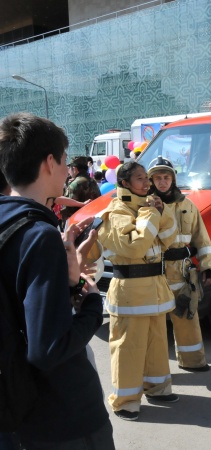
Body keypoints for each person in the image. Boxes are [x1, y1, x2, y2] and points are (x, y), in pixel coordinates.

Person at [0, 112, 115, 448]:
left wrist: (65, 280)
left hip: (13, 413)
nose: (68, 171)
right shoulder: (38, 235)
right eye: (65, 161)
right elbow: (47, 349)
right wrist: (91, 301)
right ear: (49, 162)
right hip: (60, 418)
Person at [94, 161, 178, 421]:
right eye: (140, 178)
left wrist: (160, 212)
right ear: (124, 183)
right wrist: (153, 214)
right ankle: (126, 401)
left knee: (156, 343)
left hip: (154, 289)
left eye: (146, 178)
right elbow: (134, 247)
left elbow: (169, 237)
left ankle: (157, 388)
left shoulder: (149, 205)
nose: (147, 183)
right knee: (128, 348)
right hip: (130, 291)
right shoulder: (116, 212)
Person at [147, 156, 211, 371]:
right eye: (157, 178)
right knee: (154, 323)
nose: (162, 182)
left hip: (182, 272)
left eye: (166, 177)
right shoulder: (145, 205)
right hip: (155, 272)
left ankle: (193, 361)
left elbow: (201, 238)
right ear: (151, 181)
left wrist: (208, 267)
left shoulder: (188, 206)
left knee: (188, 315)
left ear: (173, 179)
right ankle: (154, 369)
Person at [61, 155, 101, 224]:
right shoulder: (92, 181)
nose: (69, 171)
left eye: (69, 168)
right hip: (93, 222)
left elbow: (68, 209)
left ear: (75, 169)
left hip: (77, 225)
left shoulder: (75, 184)